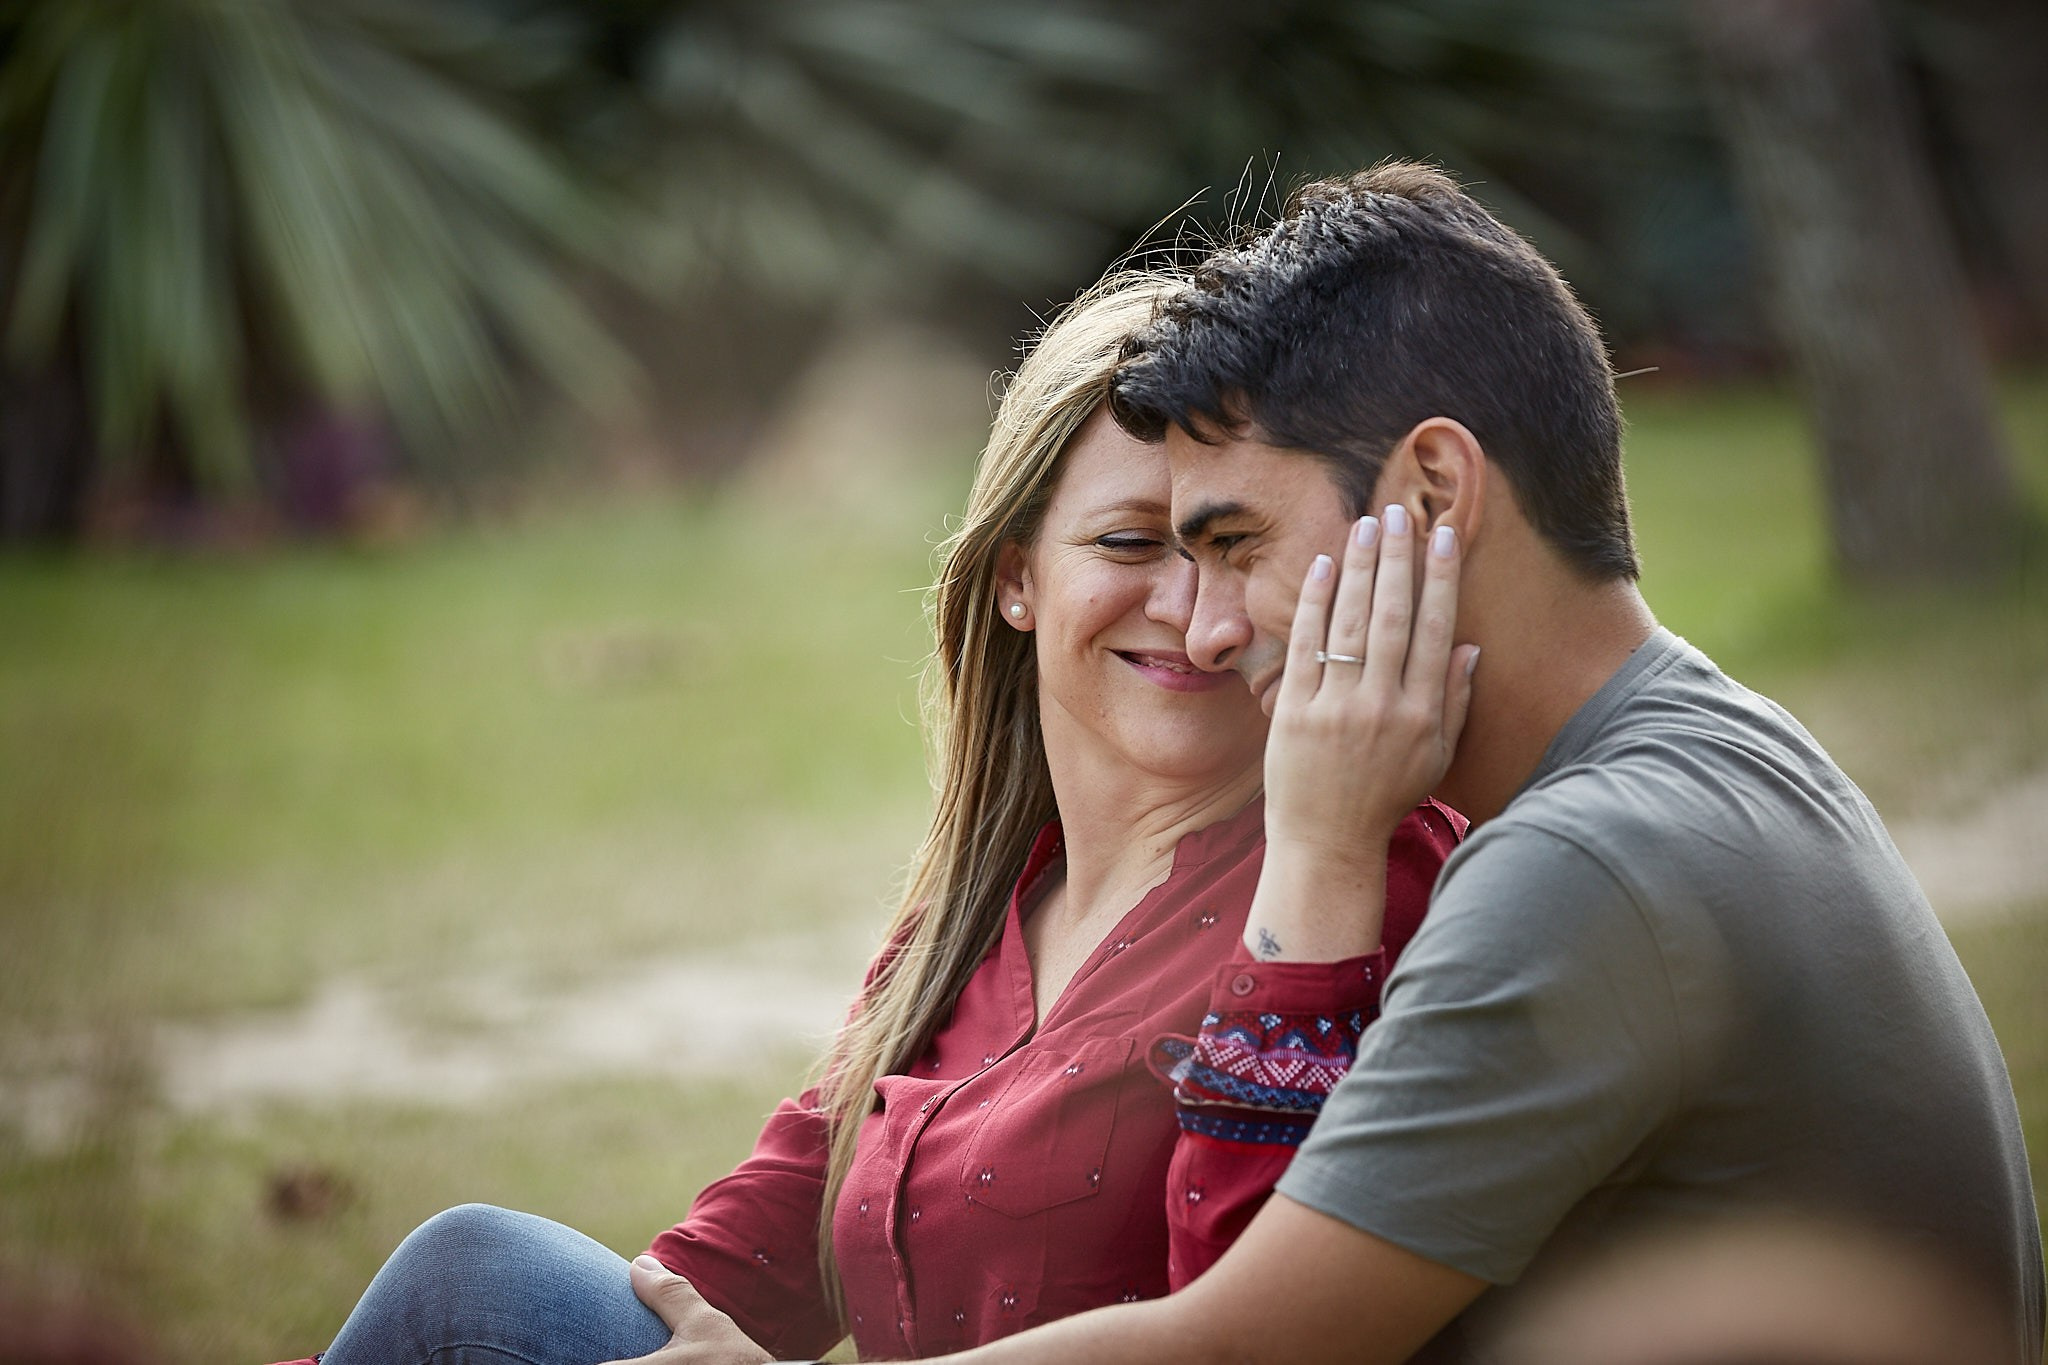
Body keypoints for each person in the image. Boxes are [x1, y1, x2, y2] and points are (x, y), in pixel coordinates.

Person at [635, 162, 2039, 1364]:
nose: (1212, 618)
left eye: (1235, 544)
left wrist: (1312, 852)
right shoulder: (1704, 746)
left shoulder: (1586, 863)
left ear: (1433, 492)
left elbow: (1245, 1347)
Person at [271, 273, 1462, 1365]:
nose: (1195, 612)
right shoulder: (985, 913)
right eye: (1128, 544)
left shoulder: (1350, 877)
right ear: (1014, 577)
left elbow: (1263, 1325)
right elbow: (733, 1268)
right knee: (475, 1285)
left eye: (1230, 547)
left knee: (469, 1280)